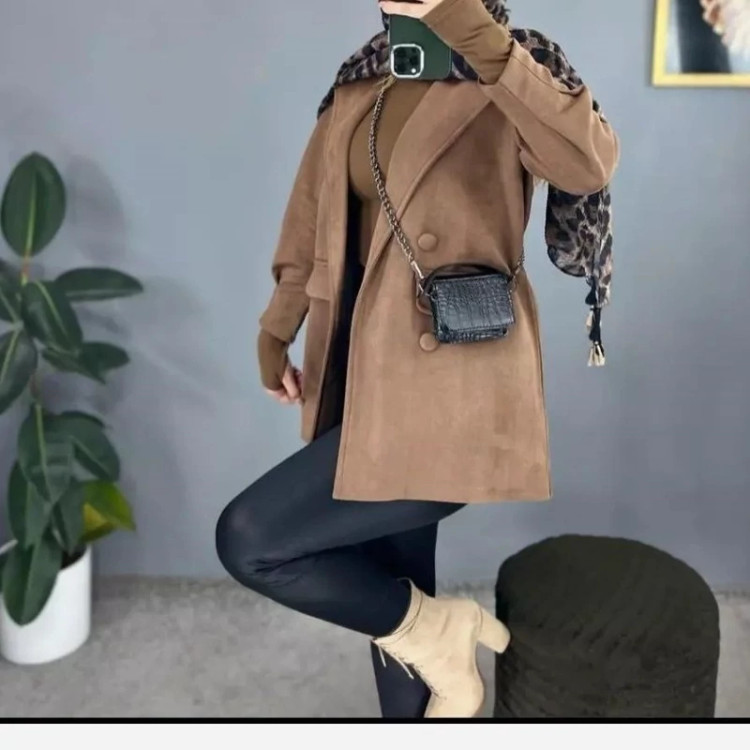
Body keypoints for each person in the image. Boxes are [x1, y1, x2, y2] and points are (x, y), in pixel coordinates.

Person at [215, 0, 619, 719]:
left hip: (453, 381)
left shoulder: (513, 64)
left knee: (252, 538)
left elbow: (585, 163)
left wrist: (466, 25)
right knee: (396, 589)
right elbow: (310, 218)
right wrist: (276, 328)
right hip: (364, 373)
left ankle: (443, 632)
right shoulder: (362, 79)